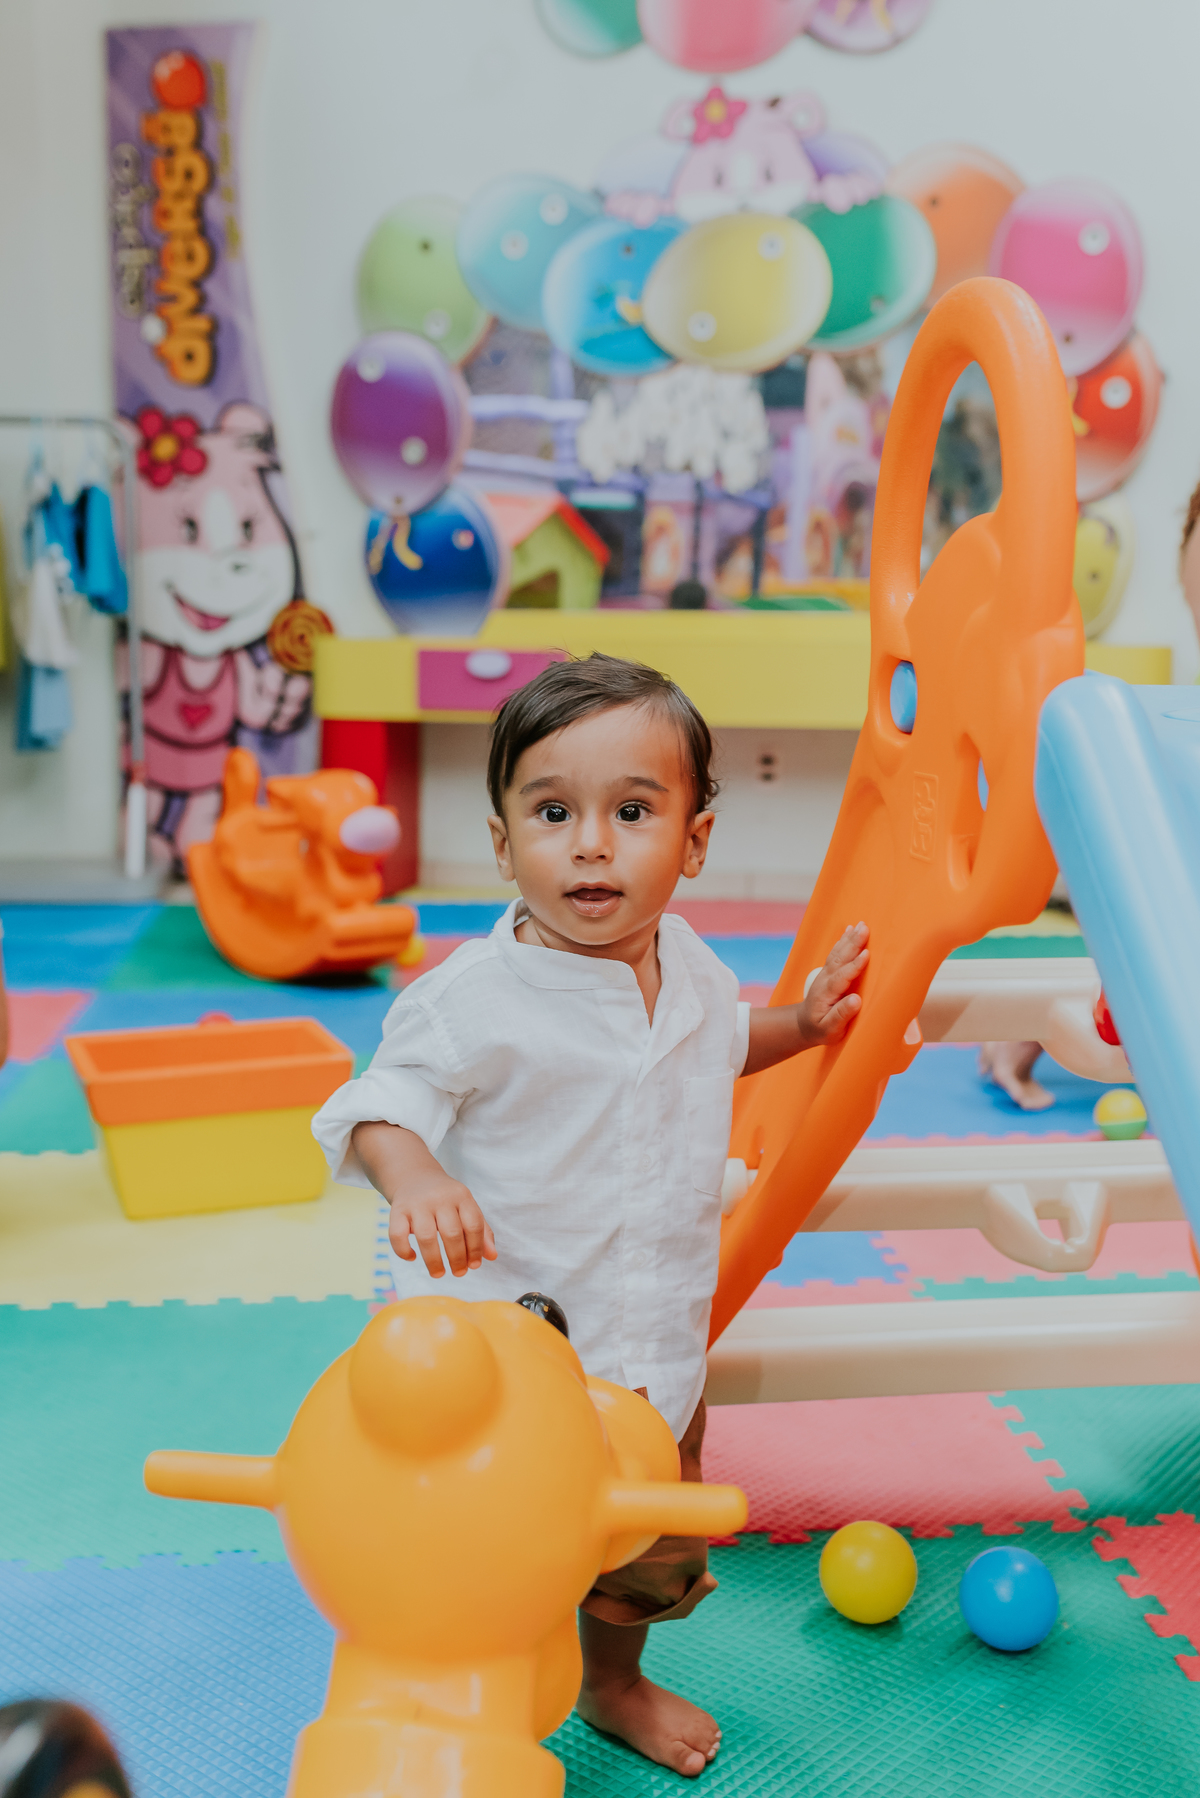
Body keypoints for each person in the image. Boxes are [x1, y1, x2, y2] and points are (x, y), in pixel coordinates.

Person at [312, 653, 868, 1779]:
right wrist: (416, 1179)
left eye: (633, 812)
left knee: (643, 1545)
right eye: (554, 812)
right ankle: (463, 1675)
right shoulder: (473, 1000)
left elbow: (722, 1043)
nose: (591, 845)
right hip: (510, 1366)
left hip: (653, 1347)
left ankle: (612, 1682)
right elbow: (378, 1107)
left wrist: (804, 1026)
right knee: (487, 1548)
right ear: (503, 840)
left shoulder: (694, 969)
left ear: (695, 843)